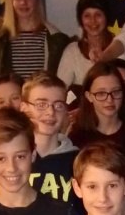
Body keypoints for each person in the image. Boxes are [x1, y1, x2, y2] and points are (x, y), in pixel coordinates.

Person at [0, 0, 70, 100]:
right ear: (10, 1)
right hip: (10, 106)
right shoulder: (0, 38)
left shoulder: (55, 39)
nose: (23, 2)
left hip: (41, 104)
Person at [19, 73, 80, 206]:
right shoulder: (10, 159)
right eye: (41, 104)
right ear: (24, 108)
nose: (50, 112)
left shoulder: (78, 161)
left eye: (58, 105)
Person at [70, 61, 125, 157]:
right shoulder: (77, 138)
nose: (109, 100)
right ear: (89, 96)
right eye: (101, 94)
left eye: (115, 92)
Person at [57, 0, 113, 91]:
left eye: (98, 15)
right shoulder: (72, 51)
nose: (93, 21)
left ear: (107, 17)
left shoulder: (119, 48)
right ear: (81, 20)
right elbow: (60, 89)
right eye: (87, 15)